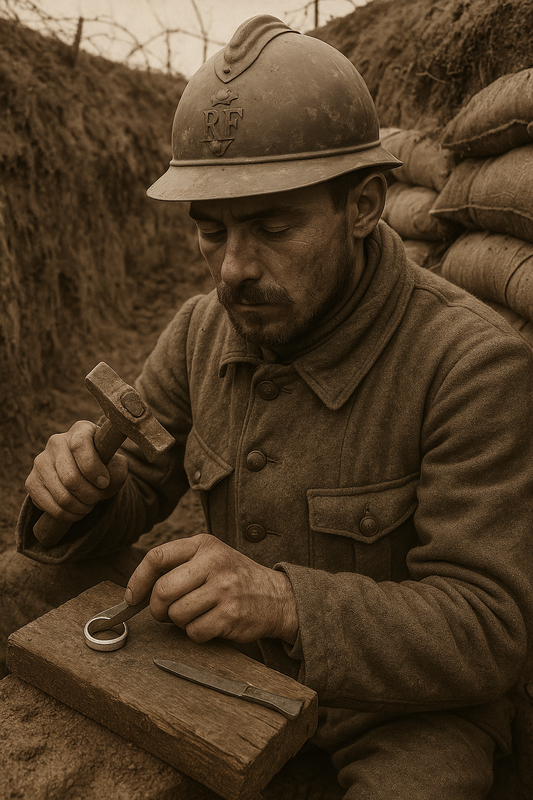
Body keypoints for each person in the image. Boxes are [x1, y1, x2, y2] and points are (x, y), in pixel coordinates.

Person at [14, 15, 533, 800]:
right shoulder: (200, 329)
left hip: (395, 709)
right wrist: (79, 492)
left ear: (363, 206)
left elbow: (486, 628)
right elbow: (138, 486)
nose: (231, 270)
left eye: (272, 227)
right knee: (18, 581)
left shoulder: (470, 365)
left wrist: (285, 603)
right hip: (228, 659)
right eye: (209, 231)